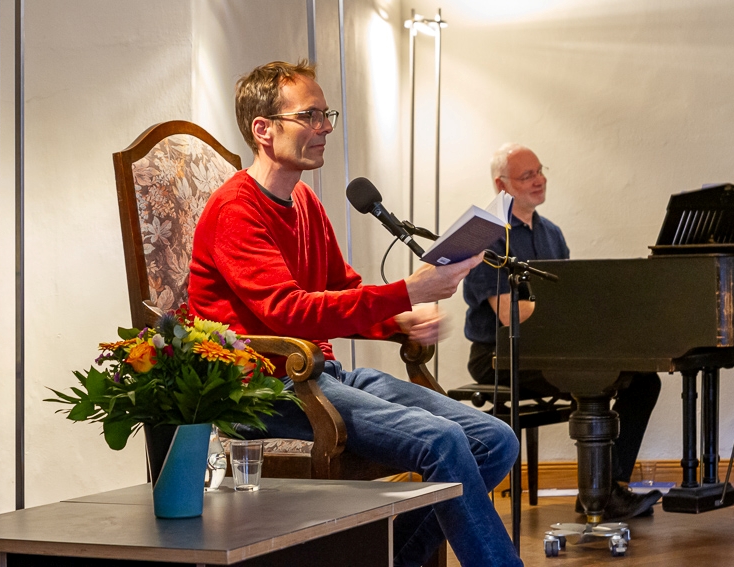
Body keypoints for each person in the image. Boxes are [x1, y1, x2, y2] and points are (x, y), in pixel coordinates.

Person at [188, 61, 524, 567]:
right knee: (442, 440)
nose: (325, 127)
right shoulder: (235, 209)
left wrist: (398, 322)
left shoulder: (303, 200)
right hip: (267, 391)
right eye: (311, 115)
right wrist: (405, 293)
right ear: (264, 128)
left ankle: (384, 559)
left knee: (494, 439)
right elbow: (289, 313)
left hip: (322, 375)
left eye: (327, 115)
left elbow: (341, 291)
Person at [462, 143, 663, 521]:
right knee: (593, 381)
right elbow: (508, 313)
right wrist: (570, 315)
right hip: (499, 354)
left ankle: (607, 487)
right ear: (500, 184)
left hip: (550, 348)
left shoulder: (551, 232)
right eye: (528, 176)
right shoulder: (485, 234)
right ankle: (600, 496)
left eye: (540, 171)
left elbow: (566, 299)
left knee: (643, 381)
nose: (539, 181)